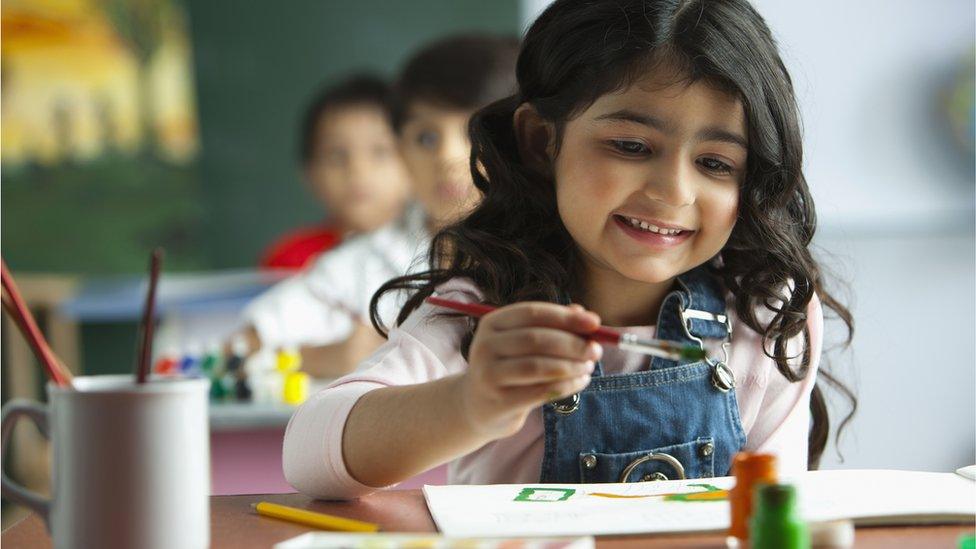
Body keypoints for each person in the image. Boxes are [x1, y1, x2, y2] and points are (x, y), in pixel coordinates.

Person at [282, 0, 857, 499]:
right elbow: (308, 454)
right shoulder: (488, 307)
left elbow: (775, 509)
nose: (673, 191)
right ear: (542, 142)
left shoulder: (766, 311)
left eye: (715, 163)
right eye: (631, 145)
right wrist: (469, 402)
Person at [237, 35, 520, 377]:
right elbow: (236, 350)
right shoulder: (359, 263)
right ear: (401, 150)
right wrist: (323, 359)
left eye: (474, 132)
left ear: (525, 138)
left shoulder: (562, 245)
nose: (447, 155)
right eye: (426, 138)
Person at [261, 75, 410, 270]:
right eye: (336, 155)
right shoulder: (289, 261)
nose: (357, 169)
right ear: (309, 174)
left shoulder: (435, 253)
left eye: (380, 151)